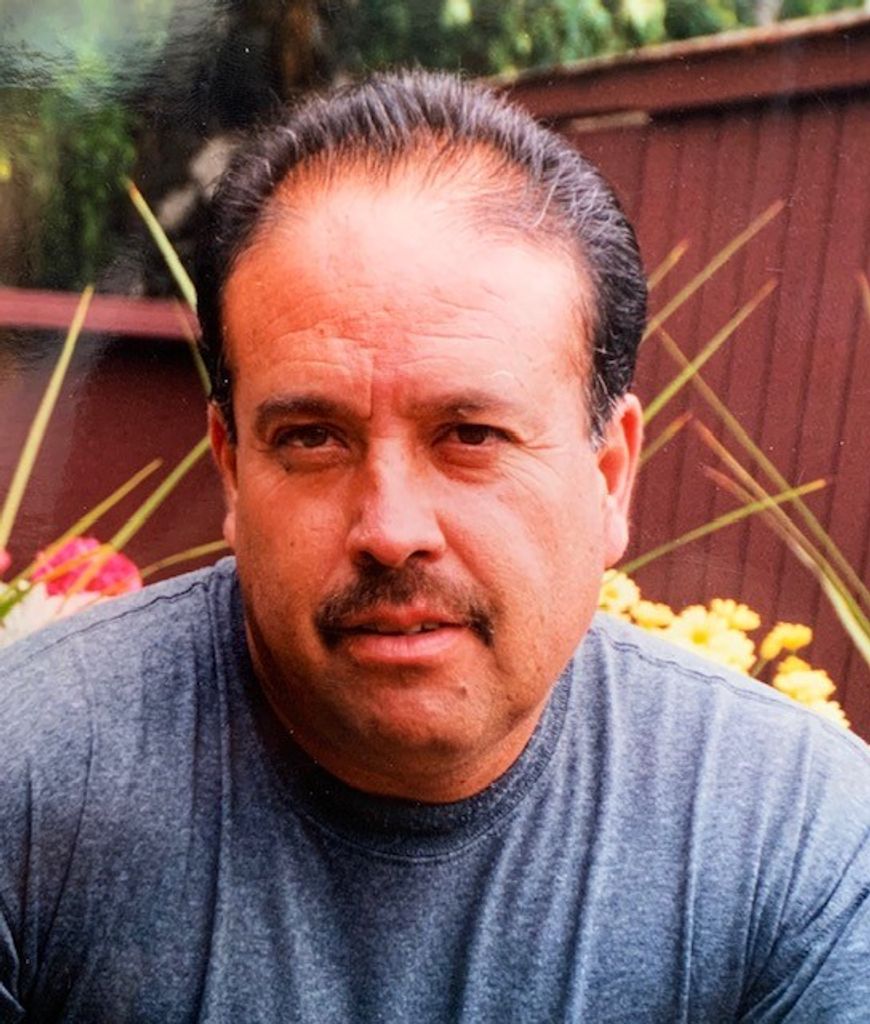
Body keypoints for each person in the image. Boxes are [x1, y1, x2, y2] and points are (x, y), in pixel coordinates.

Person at [1, 70, 867, 1023]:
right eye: (313, 439)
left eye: (471, 436)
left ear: (610, 474)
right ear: (233, 470)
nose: (391, 529)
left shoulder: (798, 843)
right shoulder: (28, 781)